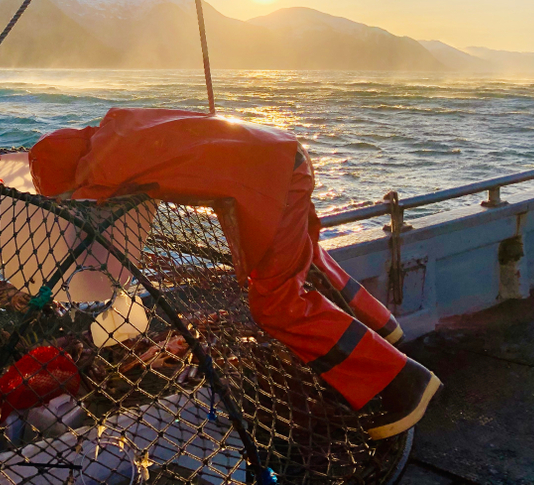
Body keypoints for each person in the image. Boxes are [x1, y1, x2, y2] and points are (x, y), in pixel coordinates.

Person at [28, 107, 441, 440]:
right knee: (304, 258)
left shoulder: (102, 168)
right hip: (279, 158)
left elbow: (82, 231)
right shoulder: (115, 127)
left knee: (276, 303)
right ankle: (382, 327)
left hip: (275, 178)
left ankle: (401, 380)